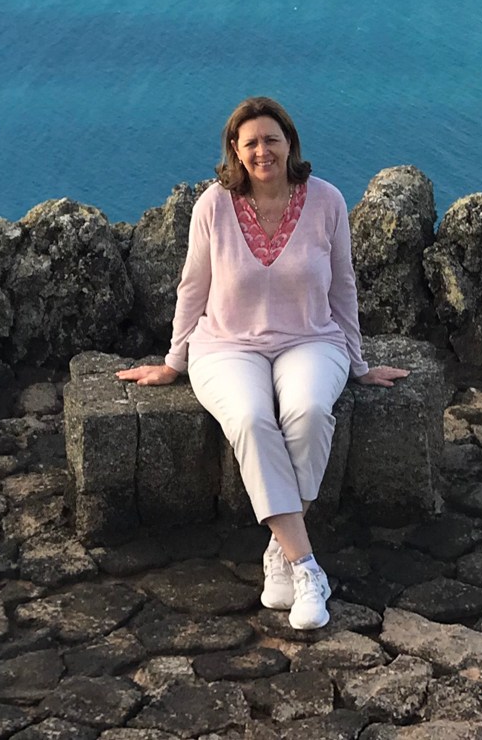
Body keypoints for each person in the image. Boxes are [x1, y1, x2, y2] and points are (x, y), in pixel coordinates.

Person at [118, 95, 409, 631]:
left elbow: (343, 287)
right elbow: (192, 286)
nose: (262, 150)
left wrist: (359, 362)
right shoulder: (213, 205)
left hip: (311, 339)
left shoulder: (326, 202)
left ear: (290, 142)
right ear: (235, 149)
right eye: (250, 142)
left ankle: (280, 548)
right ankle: (306, 566)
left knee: (307, 411)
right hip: (225, 344)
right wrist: (173, 361)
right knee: (251, 419)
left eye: (271, 139)